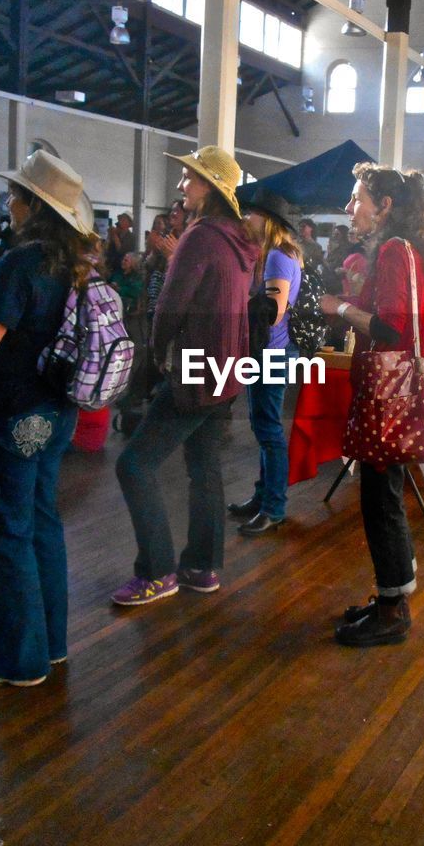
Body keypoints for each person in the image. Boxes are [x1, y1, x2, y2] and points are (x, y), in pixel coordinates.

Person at [0, 151, 96, 687]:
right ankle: (50, 644)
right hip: (56, 411)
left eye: (15, 195)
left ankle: (18, 660)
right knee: (41, 524)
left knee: (6, 533)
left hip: (11, 413)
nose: (8, 202)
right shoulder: (75, 264)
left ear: (33, 205)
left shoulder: (19, 264)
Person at [112, 147, 258, 606]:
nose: (181, 187)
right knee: (204, 468)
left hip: (197, 372)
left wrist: (156, 354)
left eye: (187, 178)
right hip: (227, 371)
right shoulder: (238, 240)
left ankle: (157, 571)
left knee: (133, 465)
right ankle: (202, 565)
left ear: (210, 186)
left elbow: (170, 306)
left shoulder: (201, 237)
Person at [319, 163, 424, 648]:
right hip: (392, 390)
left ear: (385, 206)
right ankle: (392, 594)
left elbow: (391, 329)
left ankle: (393, 610)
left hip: (384, 393)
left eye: (357, 198)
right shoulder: (403, 250)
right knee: (383, 495)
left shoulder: (394, 250)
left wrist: (342, 308)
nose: (350, 207)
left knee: (381, 500)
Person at [230, 196, 303, 537]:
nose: (247, 217)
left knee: (269, 431)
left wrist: (236, 301)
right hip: (271, 351)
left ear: (268, 220)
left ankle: (273, 506)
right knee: (263, 428)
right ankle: (263, 499)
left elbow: (272, 311)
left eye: (253, 213)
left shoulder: (276, 256)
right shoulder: (275, 255)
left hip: (271, 353)